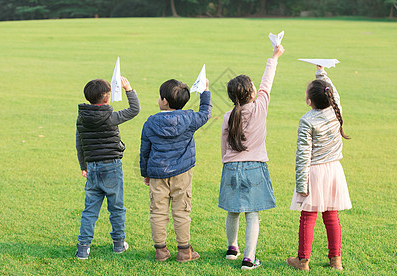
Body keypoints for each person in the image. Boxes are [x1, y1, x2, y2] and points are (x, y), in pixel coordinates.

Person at [218, 45, 285, 270]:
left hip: (231, 167)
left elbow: (223, 145)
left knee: (233, 210)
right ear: (252, 93)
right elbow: (268, 82)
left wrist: (227, 163)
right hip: (254, 168)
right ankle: (249, 258)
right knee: (252, 214)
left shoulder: (229, 115)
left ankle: (231, 248)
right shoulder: (260, 108)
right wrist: (274, 57)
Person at [286, 66, 352, 271]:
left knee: (308, 215)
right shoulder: (335, 109)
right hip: (333, 171)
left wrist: (301, 184)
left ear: (309, 100)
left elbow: (303, 155)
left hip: (314, 172)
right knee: (331, 216)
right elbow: (334, 92)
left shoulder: (307, 120)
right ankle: (336, 261)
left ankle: (303, 261)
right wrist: (322, 74)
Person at [140, 78, 212, 262]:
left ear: (164, 101)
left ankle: (161, 250)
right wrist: (205, 92)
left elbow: (145, 150)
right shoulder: (189, 119)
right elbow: (205, 113)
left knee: (158, 211)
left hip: (157, 173)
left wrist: (145, 172)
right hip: (182, 173)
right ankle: (183, 250)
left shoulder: (150, 122)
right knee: (182, 211)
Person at [75, 77, 140, 259]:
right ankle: (119, 244)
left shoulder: (81, 118)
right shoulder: (110, 117)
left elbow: (79, 144)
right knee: (117, 208)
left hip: (93, 168)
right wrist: (129, 89)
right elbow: (135, 110)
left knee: (90, 210)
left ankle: (83, 248)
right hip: (111, 166)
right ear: (106, 98)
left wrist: (84, 165)